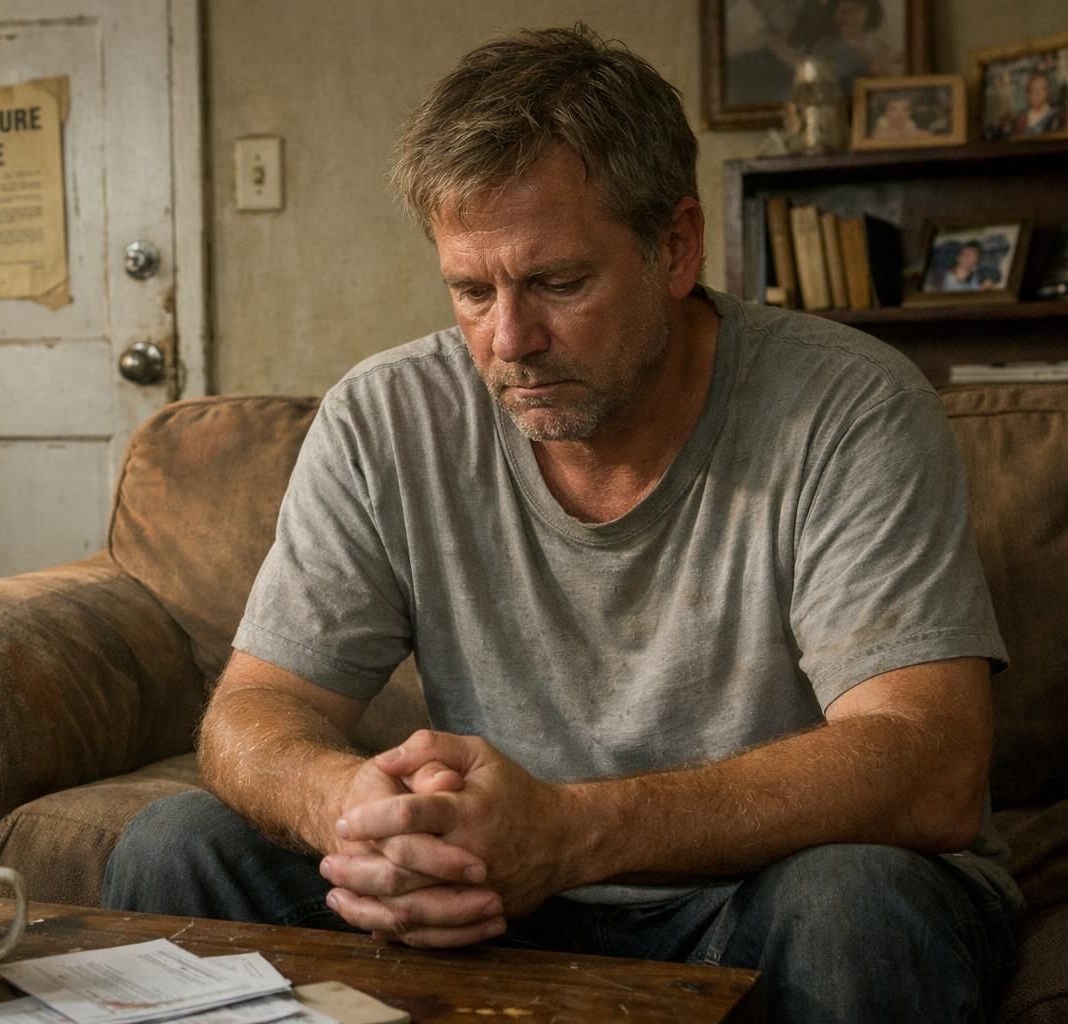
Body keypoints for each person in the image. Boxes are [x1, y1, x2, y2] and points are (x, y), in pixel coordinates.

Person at [102, 25, 1019, 1022]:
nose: (510, 341)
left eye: (558, 283)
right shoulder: (384, 419)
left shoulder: (849, 410)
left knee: (859, 903)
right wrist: (353, 808)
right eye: (471, 290)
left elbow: (930, 767)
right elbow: (251, 713)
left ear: (675, 246)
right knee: (175, 847)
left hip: (758, 897)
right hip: (494, 907)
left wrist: (575, 831)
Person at [1014, 71, 1063, 136]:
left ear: (1048, 92)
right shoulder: (1021, 119)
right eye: (1033, 89)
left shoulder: (1056, 116)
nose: (1037, 94)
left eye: (1042, 89)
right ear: (1028, 94)